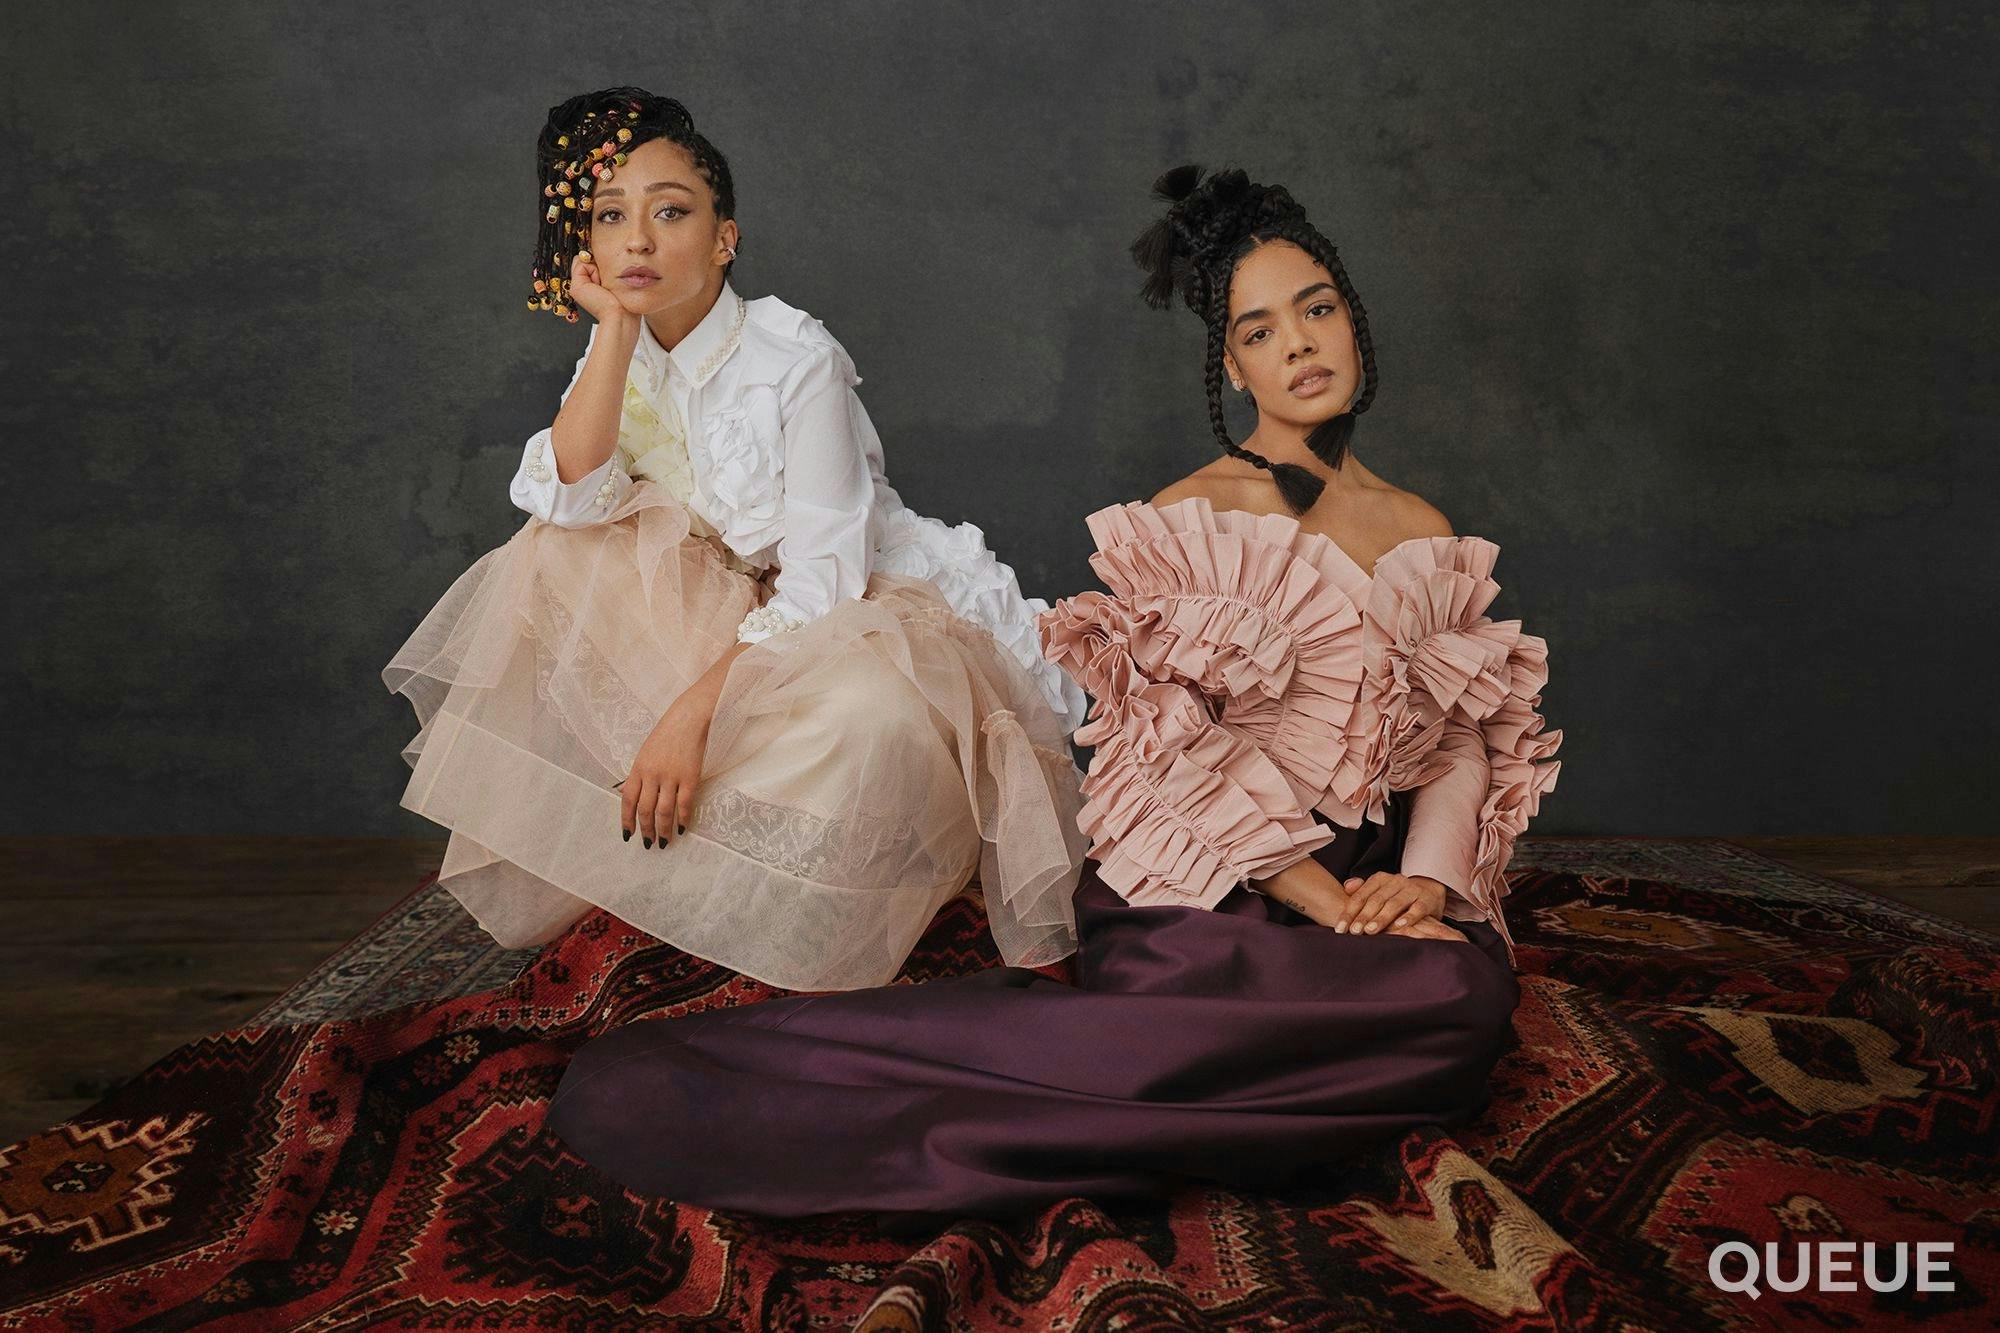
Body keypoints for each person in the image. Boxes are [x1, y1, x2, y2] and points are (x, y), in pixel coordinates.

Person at [546, 165, 1563, 1220]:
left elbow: (1456, 742)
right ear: (1231, 365)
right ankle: (959, 1099)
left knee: (1464, 994)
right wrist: (1327, 904)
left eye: (1315, 310)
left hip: (1368, 878)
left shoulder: (1423, 528)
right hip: (1207, 881)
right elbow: (1162, 760)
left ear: (1350, 319)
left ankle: (1184, 1089)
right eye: (1260, 331)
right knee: (1261, 1000)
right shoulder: (1184, 520)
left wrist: (1427, 890)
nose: (1299, 345)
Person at [384, 88, 1088, 992]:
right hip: (731, 602)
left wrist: (688, 714)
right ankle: (683, 878)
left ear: (725, 237)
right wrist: (611, 330)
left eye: (669, 211)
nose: (636, 239)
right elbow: (564, 495)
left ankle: (817, 903)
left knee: (866, 720)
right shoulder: (623, 351)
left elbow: (827, 584)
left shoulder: (795, 359)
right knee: (550, 555)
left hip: (853, 607)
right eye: (610, 217)